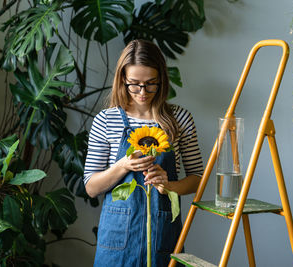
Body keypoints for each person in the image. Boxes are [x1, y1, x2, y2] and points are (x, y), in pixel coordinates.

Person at [83, 39, 203, 266]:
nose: (142, 91)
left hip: (163, 236)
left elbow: (198, 179)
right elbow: (91, 187)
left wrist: (169, 186)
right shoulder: (106, 121)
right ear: (122, 80)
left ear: (161, 80)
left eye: (151, 83)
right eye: (134, 84)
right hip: (116, 241)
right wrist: (122, 166)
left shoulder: (180, 120)